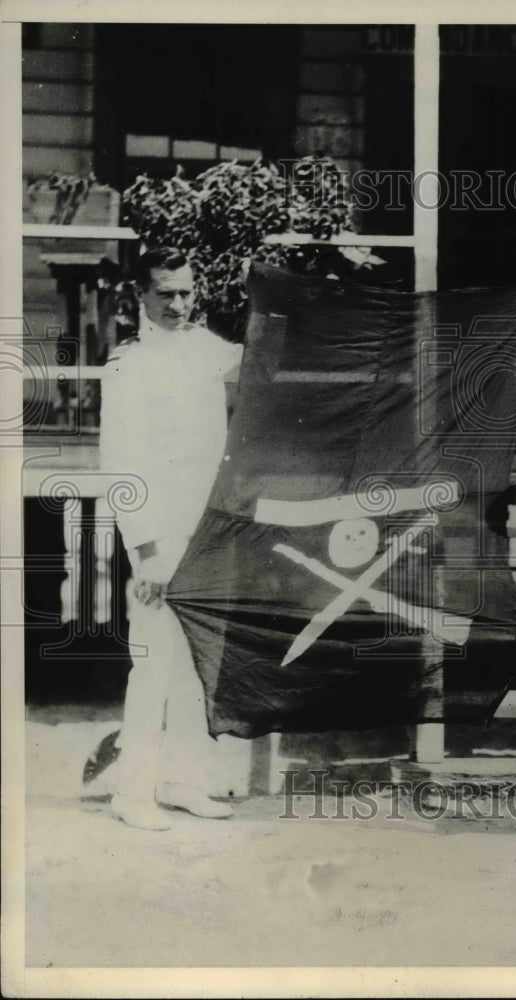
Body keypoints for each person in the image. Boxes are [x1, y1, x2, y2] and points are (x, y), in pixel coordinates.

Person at [99, 247, 244, 830]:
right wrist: (148, 552)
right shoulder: (126, 367)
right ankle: (131, 793)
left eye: (186, 291)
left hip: (208, 533)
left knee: (195, 663)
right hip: (158, 540)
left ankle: (185, 782)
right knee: (153, 662)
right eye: (166, 293)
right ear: (141, 296)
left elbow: (267, 363)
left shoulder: (210, 350)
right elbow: (120, 467)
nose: (179, 303)